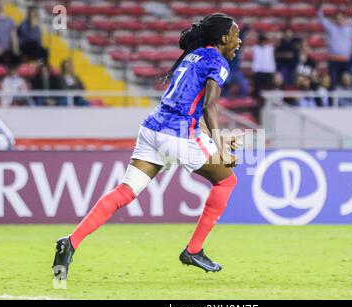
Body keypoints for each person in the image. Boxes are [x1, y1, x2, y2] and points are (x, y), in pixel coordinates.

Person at [52, 13, 242, 280]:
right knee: (226, 182)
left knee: (125, 192)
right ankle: (194, 250)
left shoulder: (193, 56)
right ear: (224, 38)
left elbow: (186, 104)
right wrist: (220, 144)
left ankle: (70, 242)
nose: (239, 40)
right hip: (178, 134)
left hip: (152, 129)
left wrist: (214, 139)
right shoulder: (217, 62)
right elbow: (209, 105)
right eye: (236, 35)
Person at [316, 3, 352, 87]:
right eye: (337, 18)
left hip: (346, 61)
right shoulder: (331, 28)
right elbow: (322, 20)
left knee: (346, 82)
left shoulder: (349, 29)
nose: (339, 20)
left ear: (344, 18)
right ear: (335, 19)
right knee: (333, 82)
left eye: (341, 18)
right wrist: (318, 10)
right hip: (333, 60)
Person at [0, 0, 21, 65]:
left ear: (5, 5)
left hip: (8, 50)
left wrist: (15, 48)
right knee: (2, 58)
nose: (0, 5)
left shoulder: (10, 20)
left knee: (17, 57)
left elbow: (14, 37)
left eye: (1, 4)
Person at [251, 33, 276, 99]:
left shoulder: (270, 48)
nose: (263, 42)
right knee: (258, 89)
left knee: (268, 89)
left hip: (268, 71)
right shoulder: (255, 48)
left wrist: (273, 70)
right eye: (262, 40)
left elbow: (272, 59)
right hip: (258, 71)